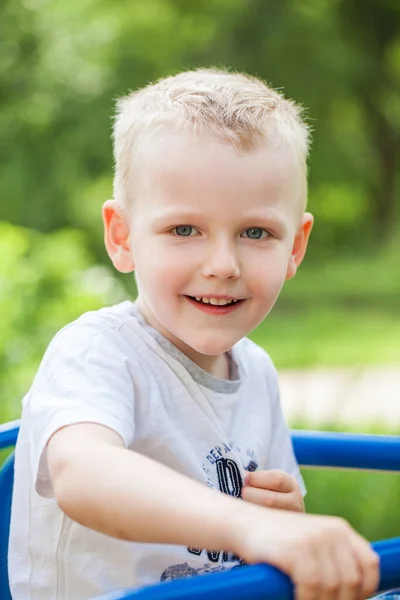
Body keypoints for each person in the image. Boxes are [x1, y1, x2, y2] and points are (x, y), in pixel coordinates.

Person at [8, 68, 379, 600]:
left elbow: (272, 532)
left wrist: (283, 519)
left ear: (294, 247)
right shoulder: (99, 351)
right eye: (184, 230)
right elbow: (83, 473)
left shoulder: (257, 372)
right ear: (123, 236)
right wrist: (249, 526)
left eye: (256, 232)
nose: (222, 264)